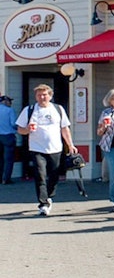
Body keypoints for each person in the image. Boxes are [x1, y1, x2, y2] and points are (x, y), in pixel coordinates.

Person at [15, 84, 77, 216]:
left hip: (56, 148)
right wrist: (27, 130)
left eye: (44, 94)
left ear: (50, 95)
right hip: (37, 148)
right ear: (36, 96)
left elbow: (65, 128)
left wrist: (70, 145)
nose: (42, 97)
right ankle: (43, 204)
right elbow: (20, 129)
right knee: (40, 175)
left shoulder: (58, 109)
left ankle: (49, 196)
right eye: (39, 95)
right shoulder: (29, 110)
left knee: (54, 175)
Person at [0, 95, 16, 184]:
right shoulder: (9, 110)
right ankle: (6, 179)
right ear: (5, 101)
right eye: (10, 101)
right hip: (8, 136)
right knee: (8, 159)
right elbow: (13, 123)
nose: (11, 103)